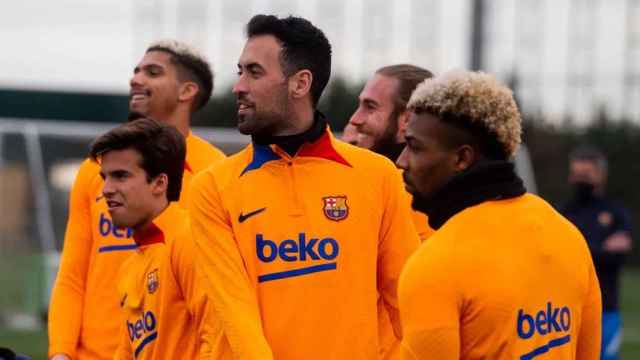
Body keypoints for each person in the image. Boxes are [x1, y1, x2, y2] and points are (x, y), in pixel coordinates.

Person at [189, 14, 420, 360]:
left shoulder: (377, 176)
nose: (238, 86)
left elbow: (407, 302)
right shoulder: (211, 188)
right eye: (240, 72)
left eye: (254, 72)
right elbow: (237, 314)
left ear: (300, 84)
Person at [396, 70, 601, 359]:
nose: (401, 160)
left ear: (461, 158)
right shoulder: (567, 235)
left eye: (414, 147)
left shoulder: (436, 264)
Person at [48, 40, 226, 360]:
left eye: (152, 72)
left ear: (187, 91)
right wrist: (61, 351)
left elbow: (215, 297)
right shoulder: (95, 171)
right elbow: (72, 276)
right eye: (136, 71)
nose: (136, 79)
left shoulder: (215, 173)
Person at [88, 118, 223, 359]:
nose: (106, 189)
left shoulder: (189, 240)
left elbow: (217, 342)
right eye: (105, 177)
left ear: (160, 183)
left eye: (120, 176)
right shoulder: (133, 263)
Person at [348, 64, 434, 242]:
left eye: (370, 107)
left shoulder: (416, 197)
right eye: (359, 105)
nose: (355, 119)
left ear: (407, 119)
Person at [561, 145, 632, 360]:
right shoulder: (562, 212)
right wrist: (601, 248)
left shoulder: (616, 212)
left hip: (606, 310)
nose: (579, 180)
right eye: (576, 174)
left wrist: (577, 249)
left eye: (586, 174)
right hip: (567, 312)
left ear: (601, 175)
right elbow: (558, 257)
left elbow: (619, 253)